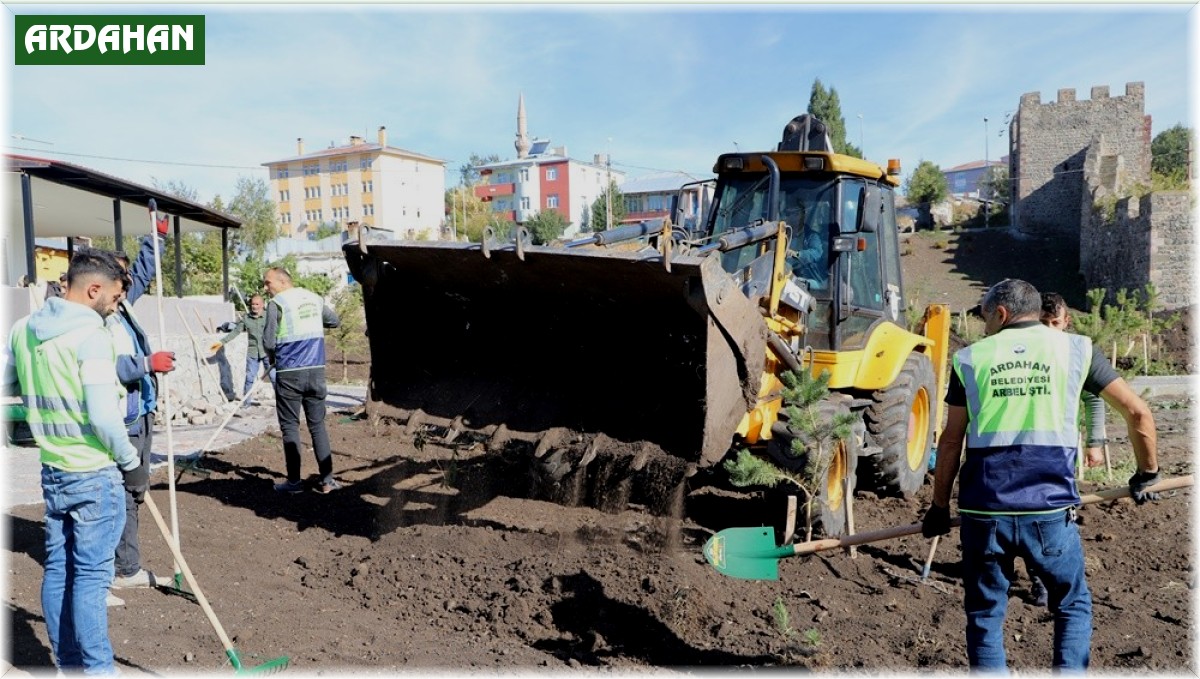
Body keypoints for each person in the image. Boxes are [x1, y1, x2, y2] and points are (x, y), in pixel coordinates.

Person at [921, 278, 1161, 671]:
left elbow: (950, 442)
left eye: (985, 318)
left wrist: (938, 507)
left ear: (1001, 314)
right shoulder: (1077, 350)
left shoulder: (970, 359)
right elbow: (1138, 413)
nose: (984, 327)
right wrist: (1147, 473)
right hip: (1049, 511)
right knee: (1071, 604)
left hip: (985, 513)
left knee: (984, 615)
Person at [2, 248, 141, 674]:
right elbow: (103, 416)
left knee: (60, 571)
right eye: (115, 297)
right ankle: (98, 671)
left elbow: (7, 383)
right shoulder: (91, 335)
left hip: (54, 470)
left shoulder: (24, 329)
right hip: (94, 474)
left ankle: (69, 666)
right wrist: (131, 462)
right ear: (94, 289)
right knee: (91, 580)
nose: (116, 306)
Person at [109, 225, 176, 593]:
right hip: (124, 418)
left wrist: (156, 239)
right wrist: (148, 364)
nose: (128, 283)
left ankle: (124, 563)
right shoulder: (100, 317)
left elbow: (145, 272)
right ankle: (123, 568)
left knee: (134, 490)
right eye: (122, 278)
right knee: (125, 491)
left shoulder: (121, 304)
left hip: (141, 411)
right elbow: (109, 364)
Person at [261, 267, 341, 494]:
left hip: (290, 373)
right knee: (318, 426)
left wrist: (273, 358)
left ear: (282, 281)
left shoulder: (276, 304)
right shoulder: (314, 299)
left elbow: (268, 342)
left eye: (268, 283)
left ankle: (294, 484)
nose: (266, 288)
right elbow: (334, 321)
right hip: (316, 371)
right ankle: (327, 481)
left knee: (290, 427)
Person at [1041, 292, 1108, 468]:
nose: (1049, 329)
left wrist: (1094, 443)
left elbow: (1093, 398)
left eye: (1055, 323)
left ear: (1066, 321)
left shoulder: (1075, 356)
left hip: (1062, 449)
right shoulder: (1019, 353)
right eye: (1043, 322)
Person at [210, 294, 273, 405]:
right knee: (249, 378)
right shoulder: (246, 318)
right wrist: (221, 342)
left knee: (274, 377)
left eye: (257, 304)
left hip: (267, 353)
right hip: (253, 353)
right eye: (253, 304)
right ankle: (246, 403)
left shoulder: (268, 316)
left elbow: (276, 331)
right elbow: (235, 332)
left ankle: (282, 402)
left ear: (262, 305)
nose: (254, 306)